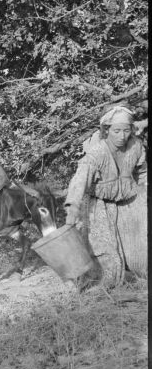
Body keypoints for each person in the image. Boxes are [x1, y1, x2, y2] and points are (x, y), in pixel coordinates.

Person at [64, 106, 148, 289]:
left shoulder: (136, 146)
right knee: (105, 255)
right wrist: (72, 209)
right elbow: (80, 179)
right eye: (116, 131)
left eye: (126, 130)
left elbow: (143, 172)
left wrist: (145, 190)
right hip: (99, 204)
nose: (122, 136)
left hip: (130, 199)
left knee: (142, 248)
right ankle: (101, 282)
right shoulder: (97, 153)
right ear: (106, 130)